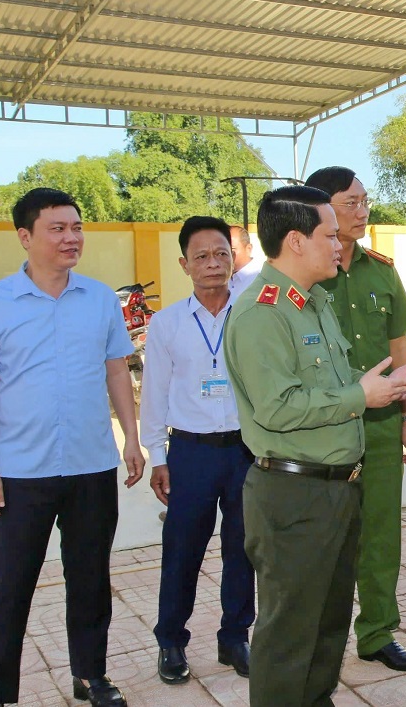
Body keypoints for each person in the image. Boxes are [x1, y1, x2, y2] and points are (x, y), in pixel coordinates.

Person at [223, 185, 406, 707]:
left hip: (337, 489)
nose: (339, 244)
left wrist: (384, 387)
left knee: (328, 624)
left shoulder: (312, 303)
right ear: (296, 241)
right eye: (329, 234)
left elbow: (326, 391)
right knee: (290, 631)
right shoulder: (262, 313)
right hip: (295, 494)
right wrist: (362, 395)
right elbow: (277, 407)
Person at [0, 188, 145, 707]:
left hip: (91, 464)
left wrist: (131, 439)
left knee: (90, 580)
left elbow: (118, 370)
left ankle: (91, 676)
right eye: (57, 229)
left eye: (77, 227)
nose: (72, 238)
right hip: (22, 471)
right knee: (9, 589)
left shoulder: (98, 300)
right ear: (25, 237)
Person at [303, 166, 406, 671]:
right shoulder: (305, 273)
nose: (361, 210)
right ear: (321, 210)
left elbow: (401, 348)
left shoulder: (382, 271)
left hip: (377, 428)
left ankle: (377, 633)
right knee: (322, 539)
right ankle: (311, 639)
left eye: (364, 201)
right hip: (321, 428)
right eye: (349, 203)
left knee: (380, 534)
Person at [140, 216, 254, 685]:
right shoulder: (166, 324)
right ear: (185, 264)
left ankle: (234, 638)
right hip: (190, 453)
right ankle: (171, 641)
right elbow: (154, 393)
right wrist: (157, 456)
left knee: (243, 549)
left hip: (245, 451)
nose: (214, 264)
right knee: (182, 550)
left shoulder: (252, 315)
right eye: (202, 256)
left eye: (222, 254)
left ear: (233, 259)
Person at [229, 225, 263, 295]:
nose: (227, 255)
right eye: (222, 252)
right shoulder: (220, 278)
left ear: (248, 249)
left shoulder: (261, 278)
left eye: (232, 250)